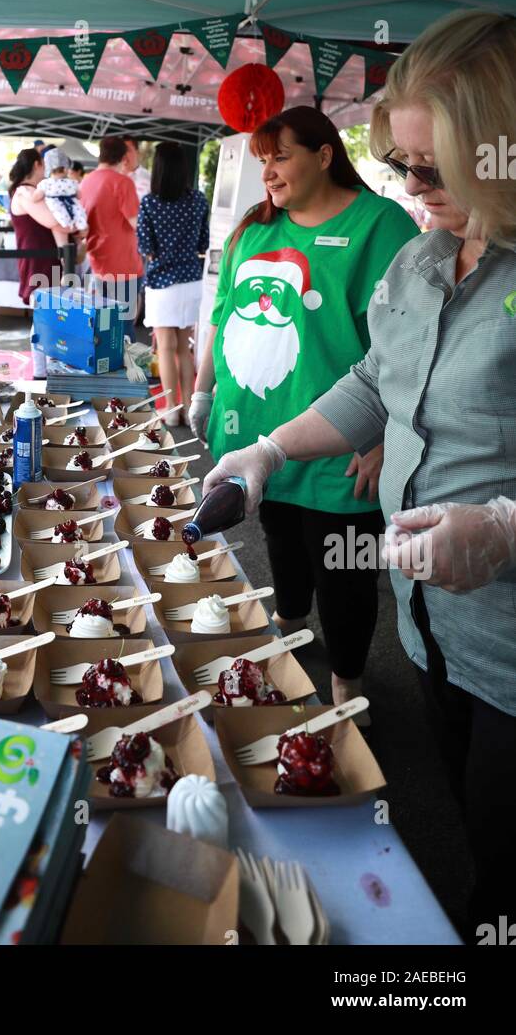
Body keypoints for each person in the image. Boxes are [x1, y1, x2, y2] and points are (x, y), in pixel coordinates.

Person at [201, 12, 516, 937]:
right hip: (433, 630)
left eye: (435, 167)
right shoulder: (424, 257)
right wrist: (270, 450)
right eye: (403, 166)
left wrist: (505, 526)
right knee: (470, 828)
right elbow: (373, 382)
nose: (415, 188)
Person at [190, 105, 418, 718]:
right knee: (281, 540)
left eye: (281, 155)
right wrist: (203, 391)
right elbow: (219, 317)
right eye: (262, 159)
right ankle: (288, 631)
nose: (268, 171)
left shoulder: (383, 225)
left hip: (343, 440)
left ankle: (347, 680)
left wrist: (384, 436)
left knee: (343, 565)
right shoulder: (254, 229)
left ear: (324, 155)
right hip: (257, 429)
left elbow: (408, 346)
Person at [137, 142, 210, 425]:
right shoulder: (198, 200)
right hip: (191, 281)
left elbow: (145, 246)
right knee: (184, 347)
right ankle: (190, 405)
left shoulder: (150, 203)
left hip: (162, 281)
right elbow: (203, 243)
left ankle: (170, 409)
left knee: (164, 347)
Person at [78, 136, 143, 338]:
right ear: (123, 157)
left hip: (96, 262)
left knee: (102, 326)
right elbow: (137, 224)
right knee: (123, 329)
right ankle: (125, 370)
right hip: (124, 265)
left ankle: (104, 368)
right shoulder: (123, 183)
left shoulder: (85, 182)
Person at [8, 147, 60, 380]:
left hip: (45, 259)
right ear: (37, 164)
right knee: (44, 317)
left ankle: (46, 370)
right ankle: (42, 372)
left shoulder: (30, 192)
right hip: (38, 261)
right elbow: (51, 220)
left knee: (48, 316)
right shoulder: (24, 193)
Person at [31, 147, 88, 250]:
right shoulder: (71, 182)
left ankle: (64, 259)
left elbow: (35, 198)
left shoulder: (46, 184)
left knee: (61, 248)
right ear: (66, 168)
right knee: (77, 235)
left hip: (59, 216)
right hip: (75, 214)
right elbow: (79, 195)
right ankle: (78, 246)